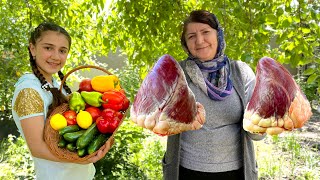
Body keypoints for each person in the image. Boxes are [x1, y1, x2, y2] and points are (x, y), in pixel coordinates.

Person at [162, 10, 265, 180]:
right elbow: (162, 120)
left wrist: (262, 124)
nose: (200, 41)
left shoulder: (241, 72)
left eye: (205, 32)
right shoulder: (175, 73)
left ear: (218, 35)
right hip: (185, 170)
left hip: (235, 171)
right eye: (191, 36)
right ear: (185, 44)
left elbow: (257, 133)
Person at [11, 22, 113, 180]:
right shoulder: (29, 90)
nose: (56, 56)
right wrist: (82, 159)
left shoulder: (59, 87)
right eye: (48, 48)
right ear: (32, 49)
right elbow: (37, 148)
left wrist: (102, 139)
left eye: (62, 50)